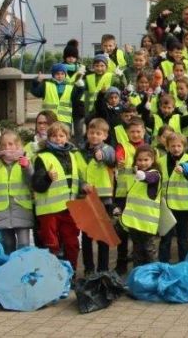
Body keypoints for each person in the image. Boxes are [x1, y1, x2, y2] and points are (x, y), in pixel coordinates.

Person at [31, 122, 83, 269]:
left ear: (67, 137)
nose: (58, 139)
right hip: (49, 210)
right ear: (48, 138)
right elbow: (37, 186)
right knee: (51, 245)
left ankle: (70, 274)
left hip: (69, 209)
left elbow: (76, 179)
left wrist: (83, 187)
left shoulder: (73, 156)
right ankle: (52, 275)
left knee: (72, 243)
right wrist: (47, 177)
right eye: (54, 136)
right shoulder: (42, 157)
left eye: (61, 135)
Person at [78, 118, 116, 275]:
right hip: (85, 199)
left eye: (98, 133)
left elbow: (111, 159)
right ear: (87, 133)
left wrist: (102, 155)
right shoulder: (80, 152)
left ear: (105, 135)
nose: (94, 136)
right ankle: (88, 268)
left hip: (103, 198)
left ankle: (103, 268)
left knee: (102, 237)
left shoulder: (108, 149)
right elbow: (78, 172)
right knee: (87, 237)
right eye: (91, 133)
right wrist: (81, 185)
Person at [117, 144, 161, 267]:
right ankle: (138, 277)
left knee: (149, 252)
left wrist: (143, 175)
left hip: (147, 224)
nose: (142, 163)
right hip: (134, 221)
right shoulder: (133, 175)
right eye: (140, 160)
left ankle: (154, 275)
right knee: (137, 252)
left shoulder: (155, 174)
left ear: (153, 160)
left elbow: (151, 178)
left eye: (146, 160)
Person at [158, 132, 188, 262]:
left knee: (182, 238)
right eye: (173, 146)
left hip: (182, 206)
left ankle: (184, 265)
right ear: (167, 147)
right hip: (166, 205)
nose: (176, 148)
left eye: (179, 146)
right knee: (165, 239)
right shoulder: (161, 161)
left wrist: (184, 169)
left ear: (184, 147)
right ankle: (163, 265)